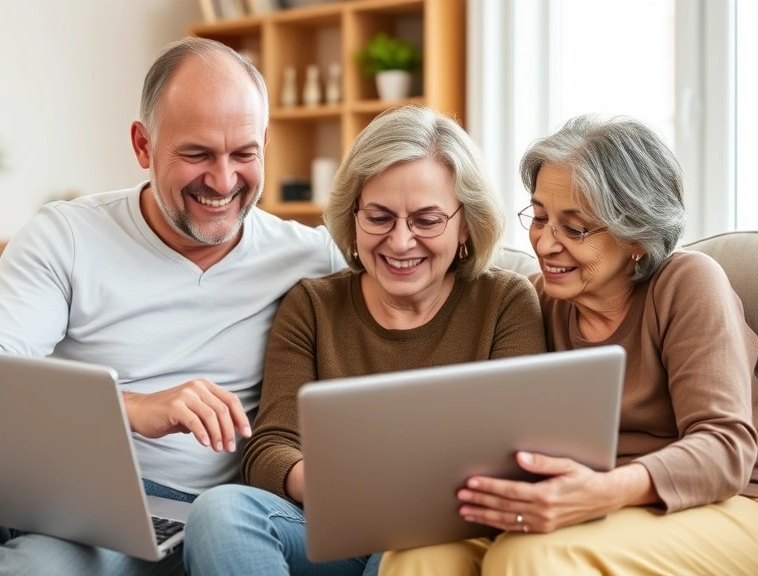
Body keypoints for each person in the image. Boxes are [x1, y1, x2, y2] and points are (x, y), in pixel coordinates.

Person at [0, 37, 346, 576]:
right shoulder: (68, 235)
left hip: (173, 512)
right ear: (143, 145)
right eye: (196, 153)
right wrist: (130, 407)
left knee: (39, 567)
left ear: (265, 142)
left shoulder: (310, 258)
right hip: (37, 480)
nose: (223, 180)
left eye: (244, 154)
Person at [377, 114, 758, 575]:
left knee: (531, 557)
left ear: (636, 236)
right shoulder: (533, 302)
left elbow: (725, 448)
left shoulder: (687, 284)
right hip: (596, 510)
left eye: (575, 228)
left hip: (739, 505)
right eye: (540, 218)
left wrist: (602, 492)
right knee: (419, 553)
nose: (545, 244)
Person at [183, 104, 547, 576]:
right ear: (353, 217)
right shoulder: (312, 305)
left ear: (465, 223)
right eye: (379, 217)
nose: (400, 242)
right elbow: (270, 445)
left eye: (427, 220)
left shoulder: (505, 301)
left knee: (405, 556)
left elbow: (518, 454)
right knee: (219, 512)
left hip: (445, 531)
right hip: (336, 522)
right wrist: (323, 483)